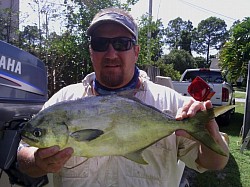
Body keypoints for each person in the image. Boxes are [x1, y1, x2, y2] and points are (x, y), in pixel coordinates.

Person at [17, 7, 229, 187]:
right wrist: (36, 161)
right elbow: (23, 157)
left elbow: (214, 162)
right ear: (91, 51)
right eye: (100, 44)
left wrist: (209, 131)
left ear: (136, 51)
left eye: (121, 44)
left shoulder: (172, 104)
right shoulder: (63, 101)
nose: (111, 54)